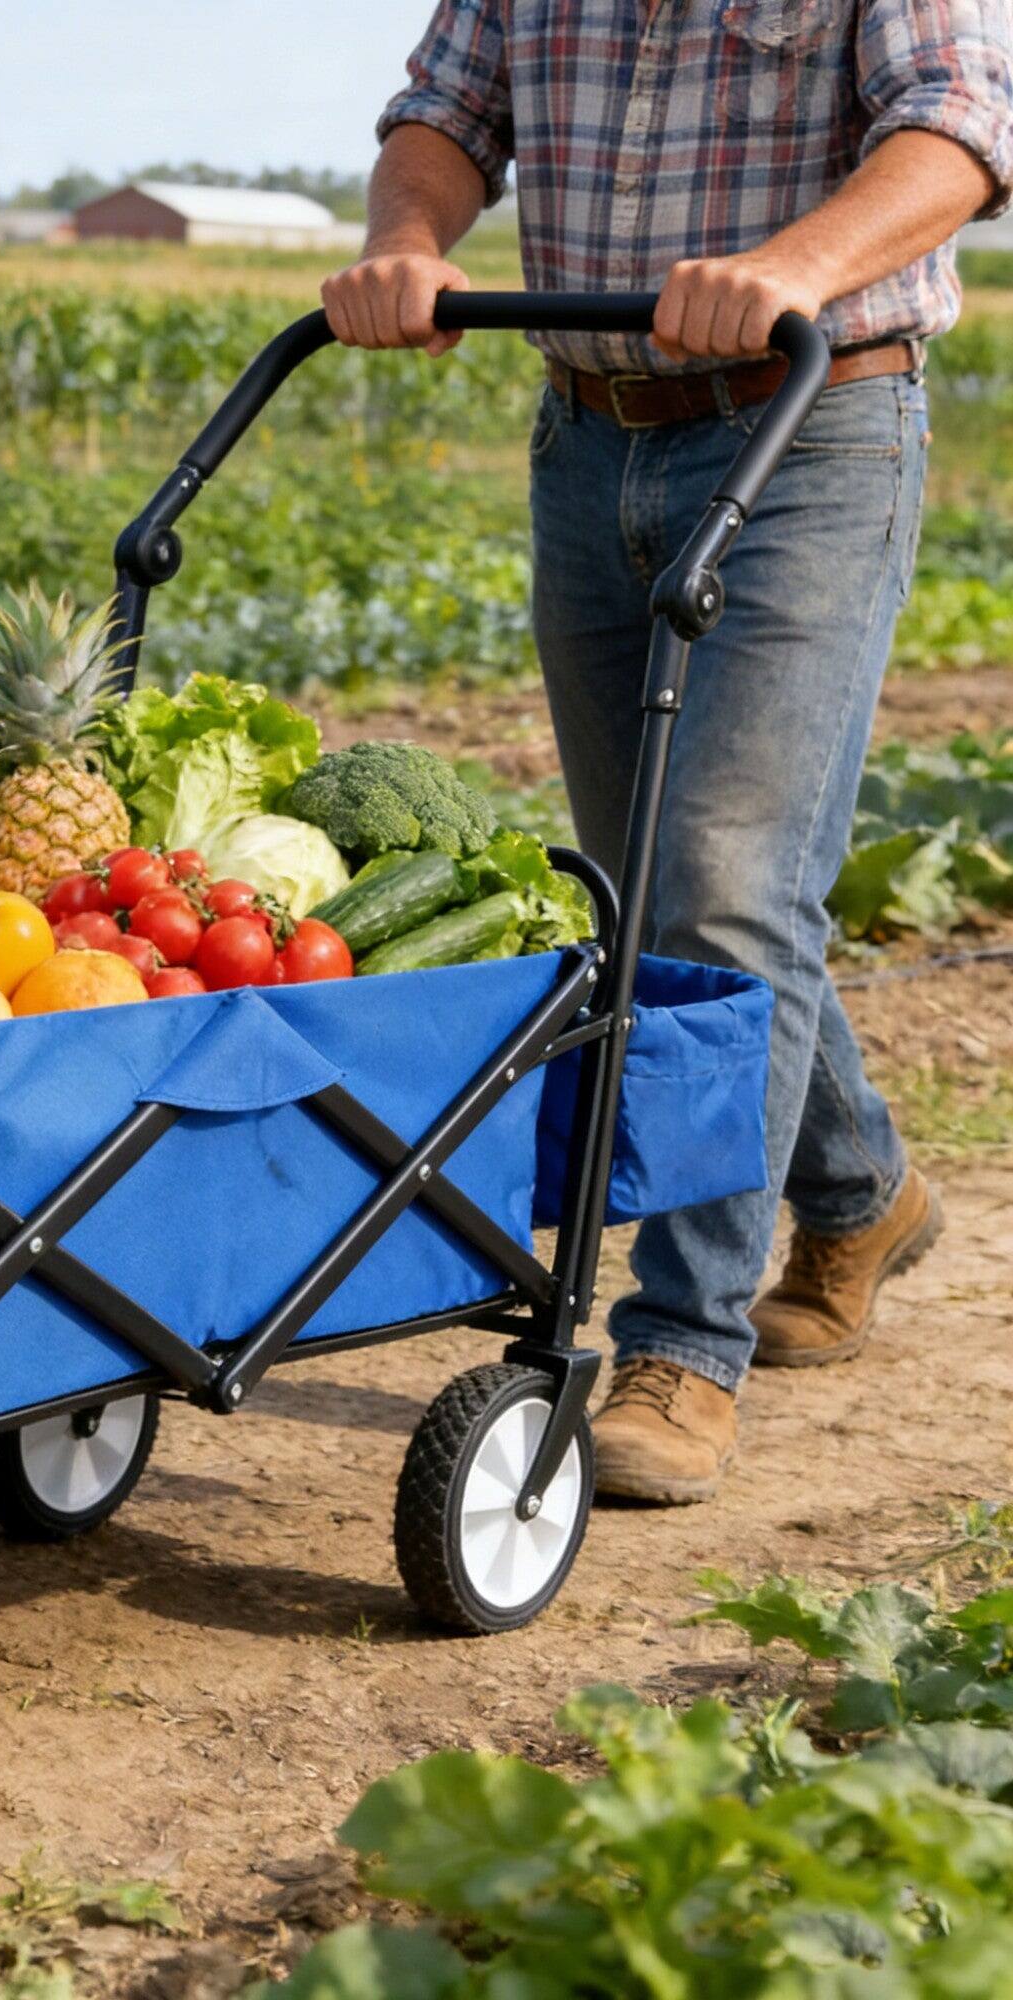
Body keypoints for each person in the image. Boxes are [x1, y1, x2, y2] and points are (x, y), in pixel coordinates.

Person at [325, 1, 1013, 1502]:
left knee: (722, 879)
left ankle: (686, 1349)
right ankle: (861, 1194)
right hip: (587, 439)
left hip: (810, 429)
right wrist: (413, 241)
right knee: (662, 893)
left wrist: (791, 269)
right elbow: (446, 113)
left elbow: (957, 132)